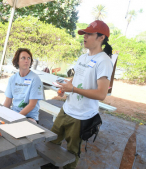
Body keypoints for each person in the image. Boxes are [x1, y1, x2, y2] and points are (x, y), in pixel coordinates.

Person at [44, 20, 114, 169]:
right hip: (67, 109)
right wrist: (65, 87)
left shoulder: (104, 61)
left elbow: (102, 94)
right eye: (84, 33)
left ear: (101, 38)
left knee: (71, 152)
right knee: (50, 142)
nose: (85, 36)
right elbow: (77, 79)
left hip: (82, 116)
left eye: (89, 34)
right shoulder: (82, 57)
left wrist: (73, 89)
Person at [3, 48, 44, 124]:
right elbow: (8, 101)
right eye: (23, 58)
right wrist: (1, 113)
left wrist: (16, 118)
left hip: (29, 117)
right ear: (17, 61)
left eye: (29, 58)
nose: (27, 60)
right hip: (14, 113)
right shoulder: (12, 78)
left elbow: (32, 105)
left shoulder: (35, 79)